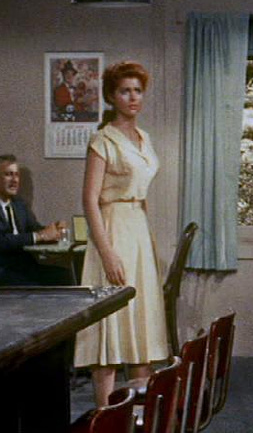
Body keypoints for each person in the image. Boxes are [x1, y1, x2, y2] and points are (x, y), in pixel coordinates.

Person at [74, 60, 168, 407]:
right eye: (125, 91)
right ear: (112, 97)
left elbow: (142, 195)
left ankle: (138, 415)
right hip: (111, 231)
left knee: (141, 329)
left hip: (138, 230)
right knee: (110, 330)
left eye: (137, 91)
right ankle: (105, 415)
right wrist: (107, 253)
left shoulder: (145, 138)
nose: (133, 97)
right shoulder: (103, 140)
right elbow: (89, 200)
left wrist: (148, 243)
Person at [0, 154, 74, 298]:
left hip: (21, 267)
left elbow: (34, 229)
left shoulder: (18, 203)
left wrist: (53, 231)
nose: (15, 180)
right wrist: (40, 236)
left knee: (65, 276)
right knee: (37, 287)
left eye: (17, 175)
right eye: (8, 174)